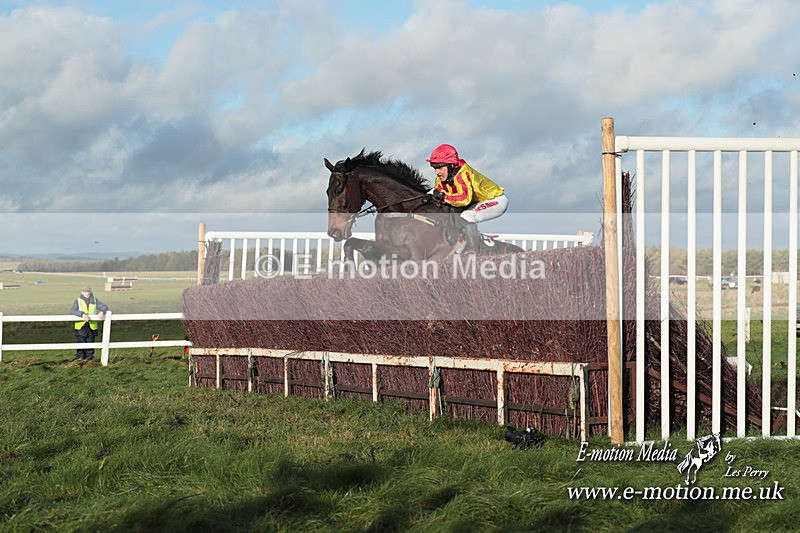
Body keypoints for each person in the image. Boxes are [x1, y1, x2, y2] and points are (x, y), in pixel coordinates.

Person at [426, 143, 508, 250]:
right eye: (434, 168)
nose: (437, 172)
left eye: (440, 167)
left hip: (496, 200)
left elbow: (464, 199)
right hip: (477, 202)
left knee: (467, 215)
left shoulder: (462, 174)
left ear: (451, 165)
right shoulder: (441, 180)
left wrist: (443, 197)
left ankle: (473, 253)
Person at [70, 286, 109, 362]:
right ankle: (79, 360)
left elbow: (104, 306)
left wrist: (102, 311)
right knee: (81, 344)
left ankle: (89, 361)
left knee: (90, 344)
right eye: (85, 291)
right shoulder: (78, 301)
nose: (87, 293)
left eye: (88, 291)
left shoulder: (94, 300)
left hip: (91, 326)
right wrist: (82, 314)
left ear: (90, 292)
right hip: (81, 326)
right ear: (81, 292)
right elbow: (73, 311)